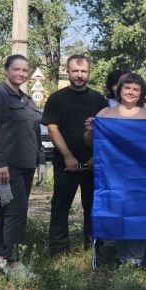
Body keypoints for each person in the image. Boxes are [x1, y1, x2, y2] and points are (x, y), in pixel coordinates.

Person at [84, 73, 146, 266]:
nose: (131, 92)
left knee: (137, 213)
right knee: (114, 209)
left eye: (136, 89)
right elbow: (89, 143)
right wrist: (91, 130)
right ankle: (113, 250)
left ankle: (134, 258)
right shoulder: (105, 114)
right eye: (127, 88)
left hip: (140, 174)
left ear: (141, 92)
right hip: (112, 175)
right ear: (119, 89)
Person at [0, 54, 44, 279]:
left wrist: (41, 161)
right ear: (6, 70)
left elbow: (36, 133)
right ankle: (13, 262)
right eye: (16, 69)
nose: (21, 74)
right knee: (17, 212)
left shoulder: (26, 100)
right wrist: (0, 164)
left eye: (25, 70)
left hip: (26, 165)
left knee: (7, 209)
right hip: (6, 167)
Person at [42, 54, 109, 256]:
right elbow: (53, 130)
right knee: (60, 207)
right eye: (75, 71)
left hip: (92, 163)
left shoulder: (99, 100)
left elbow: (105, 133)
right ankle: (58, 250)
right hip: (65, 163)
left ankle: (93, 248)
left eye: (83, 71)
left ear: (89, 72)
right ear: (67, 71)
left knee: (93, 207)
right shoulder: (56, 99)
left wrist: (96, 156)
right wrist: (68, 156)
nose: (79, 75)